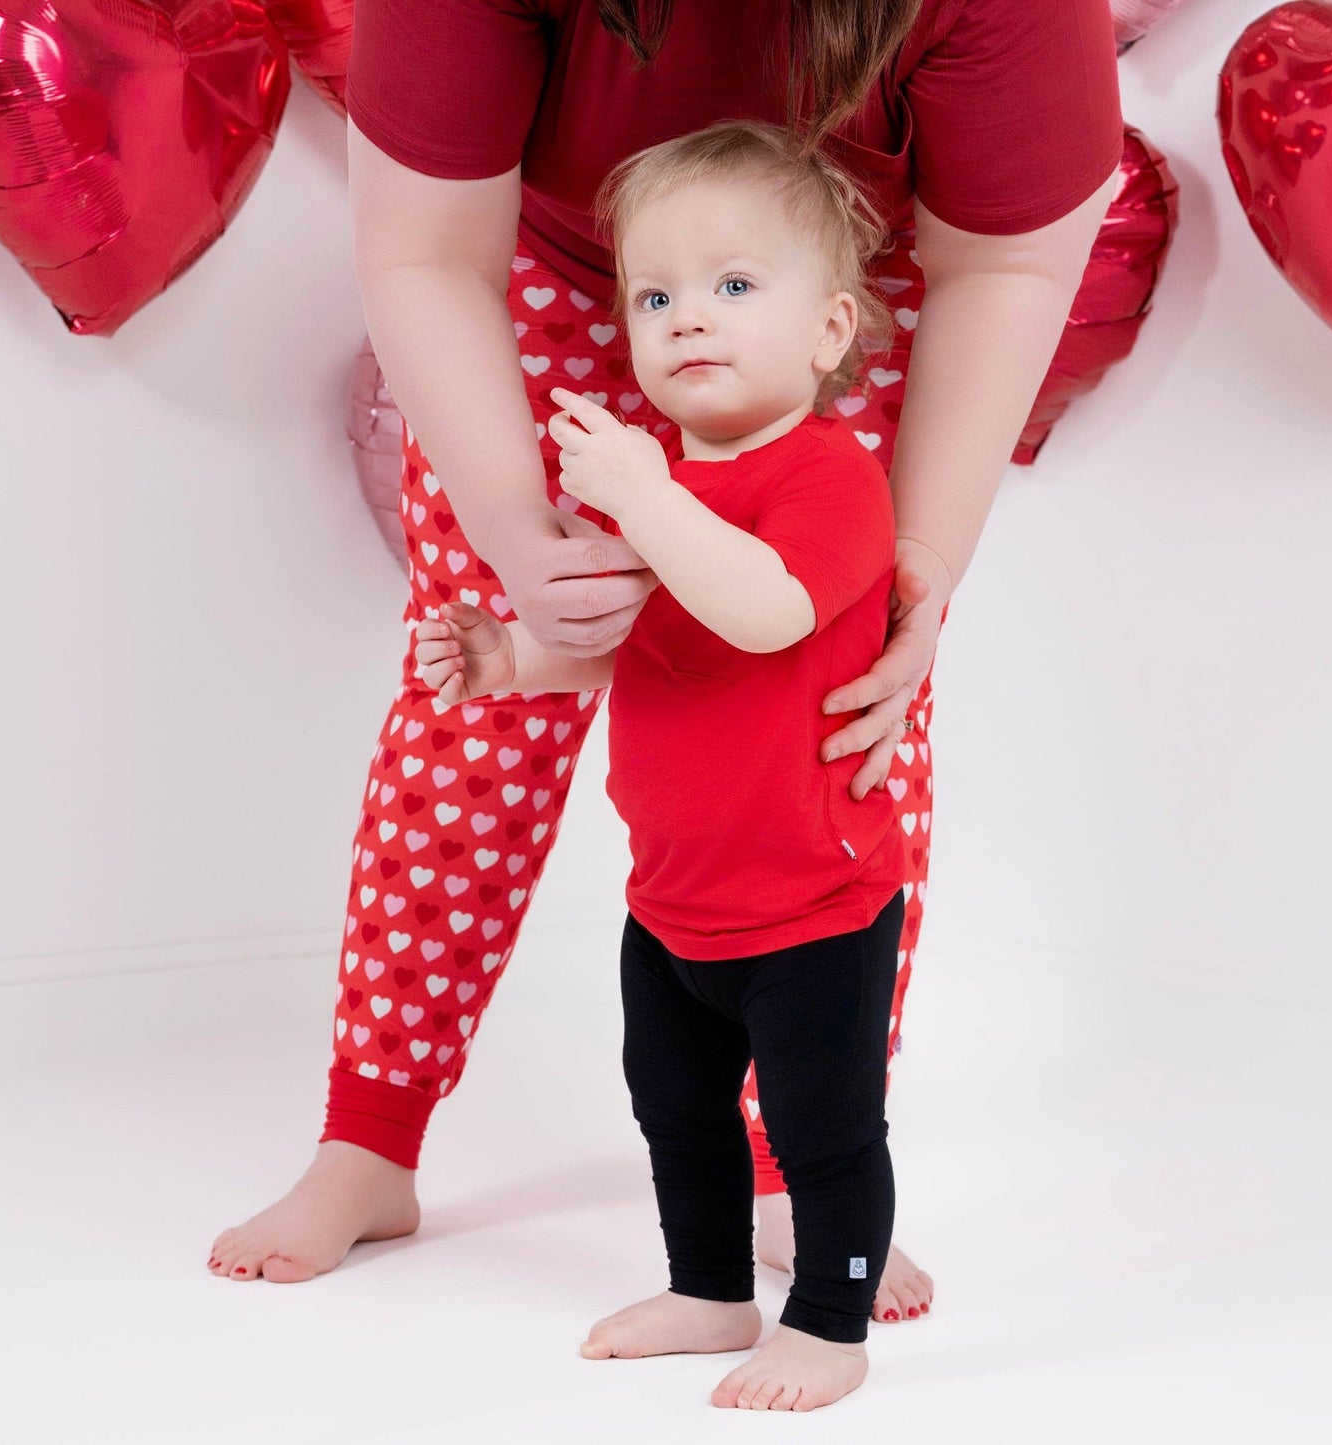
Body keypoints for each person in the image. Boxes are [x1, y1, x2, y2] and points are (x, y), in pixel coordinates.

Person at [207, 0, 1123, 1332]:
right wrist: (517, 536)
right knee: (474, 727)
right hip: (548, 291)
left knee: (844, 727)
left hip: (809, 303)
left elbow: (1007, 267)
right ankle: (371, 1133)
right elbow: (423, 248)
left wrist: (915, 569)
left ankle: (785, 1158)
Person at [414, 119, 907, 1410]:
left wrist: (642, 497)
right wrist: (509, 660)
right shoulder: (674, 491)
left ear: (830, 328)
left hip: (810, 901)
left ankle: (830, 1321)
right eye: (655, 294)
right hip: (676, 899)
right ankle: (707, 1289)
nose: (688, 317)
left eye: (735, 286)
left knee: (818, 1130)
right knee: (675, 1112)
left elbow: (762, 614)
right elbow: (656, 648)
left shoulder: (829, 479)